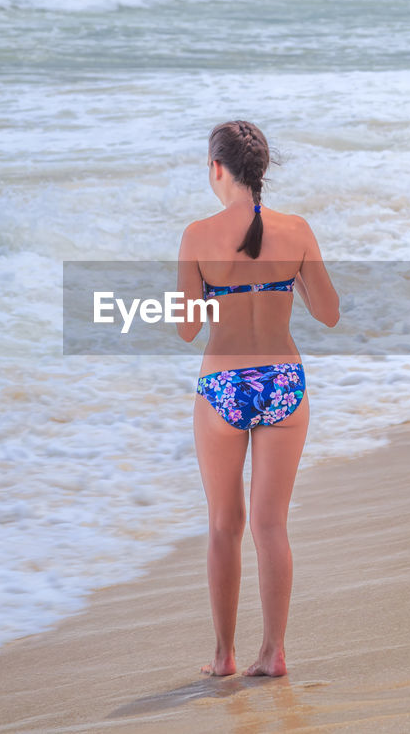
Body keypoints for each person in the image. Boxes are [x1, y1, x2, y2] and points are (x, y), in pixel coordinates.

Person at [175, 119, 339, 678]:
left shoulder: (197, 235)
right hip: (282, 384)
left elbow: (186, 329)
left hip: (222, 386)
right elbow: (329, 313)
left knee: (225, 524)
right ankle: (273, 653)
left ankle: (223, 657)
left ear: (217, 169)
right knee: (271, 526)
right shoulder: (296, 229)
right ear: (261, 170)